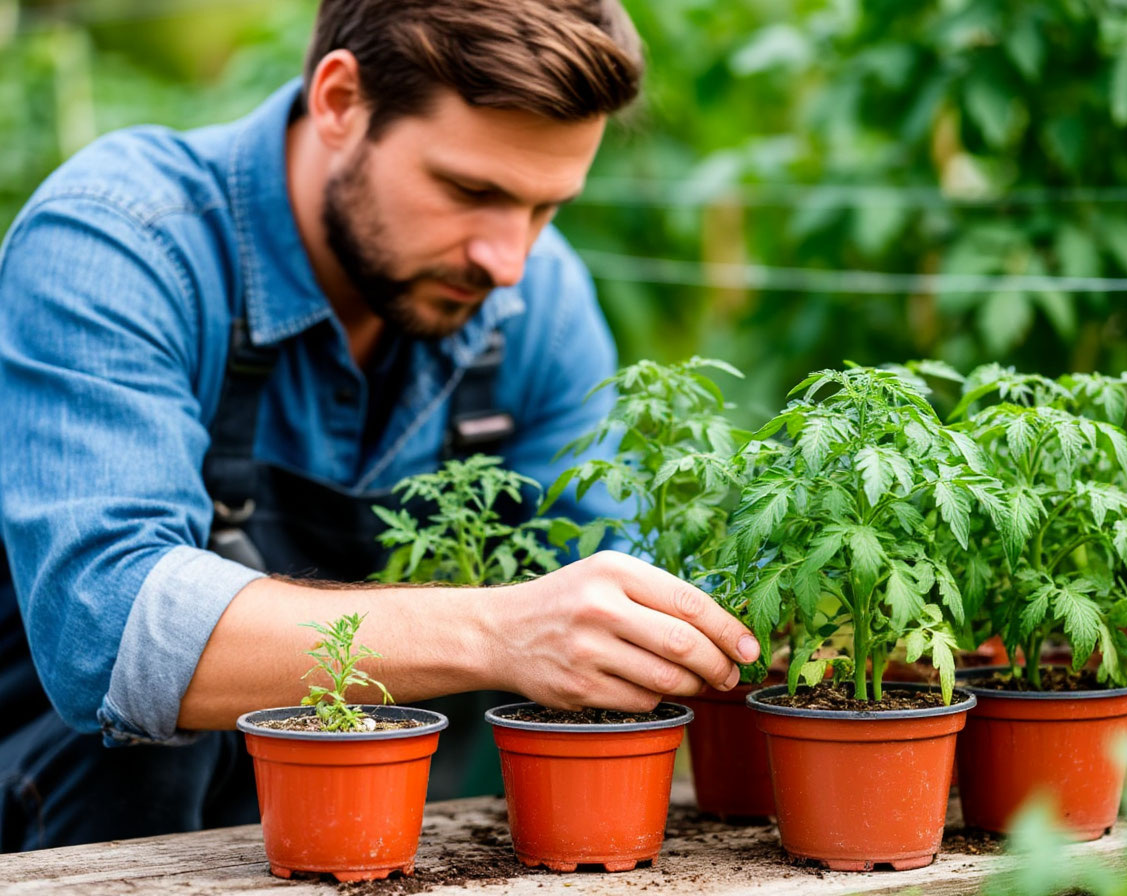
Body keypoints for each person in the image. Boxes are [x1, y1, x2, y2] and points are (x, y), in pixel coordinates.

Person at [0, 0, 759, 851]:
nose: (507, 258)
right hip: (91, 855)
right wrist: (497, 632)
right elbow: (103, 626)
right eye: (471, 190)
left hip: (396, 853)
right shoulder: (124, 242)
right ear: (338, 101)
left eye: (547, 208)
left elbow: (616, 569)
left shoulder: (536, 302)